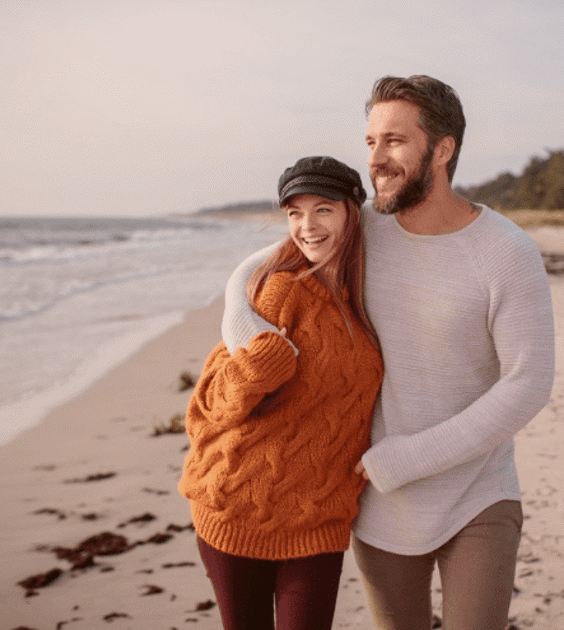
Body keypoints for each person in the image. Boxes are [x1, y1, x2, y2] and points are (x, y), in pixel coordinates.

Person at [221, 76, 555, 630]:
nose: (376, 158)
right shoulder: (363, 229)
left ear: (442, 150)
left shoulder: (507, 251)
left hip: (477, 495)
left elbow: (528, 384)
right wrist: (247, 338)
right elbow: (251, 270)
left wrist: (404, 458)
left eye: (395, 141)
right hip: (377, 503)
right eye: (371, 141)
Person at [179, 155, 384, 630]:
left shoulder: (368, 296)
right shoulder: (280, 291)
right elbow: (210, 404)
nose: (306, 226)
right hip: (236, 507)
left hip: (319, 521)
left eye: (323, 210)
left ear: (353, 212)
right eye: (294, 212)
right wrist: (261, 362)